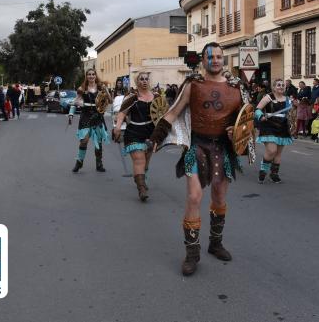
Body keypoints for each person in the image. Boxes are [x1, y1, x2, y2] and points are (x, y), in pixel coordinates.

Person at [148, 42, 254, 276]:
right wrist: (156, 137)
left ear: (223, 59)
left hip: (223, 149)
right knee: (194, 197)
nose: (215, 60)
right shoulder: (192, 84)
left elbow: (245, 121)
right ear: (203, 60)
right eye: (210, 56)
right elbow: (173, 112)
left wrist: (235, 133)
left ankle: (215, 243)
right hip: (197, 146)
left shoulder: (237, 87)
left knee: (219, 196)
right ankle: (192, 253)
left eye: (218, 56)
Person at [114, 72, 156, 202]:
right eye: (141, 79)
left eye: (146, 79)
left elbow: (164, 114)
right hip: (134, 132)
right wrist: (117, 127)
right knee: (139, 160)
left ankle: (143, 179)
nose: (144, 81)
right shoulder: (132, 98)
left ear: (149, 81)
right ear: (137, 82)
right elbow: (122, 113)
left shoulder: (157, 97)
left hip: (150, 133)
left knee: (146, 161)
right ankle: (141, 188)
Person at [68, 69, 111, 173]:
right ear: (86, 76)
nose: (91, 76)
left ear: (95, 76)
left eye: (93, 74)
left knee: (99, 142)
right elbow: (75, 102)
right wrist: (71, 114)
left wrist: (107, 91)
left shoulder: (101, 88)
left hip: (98, 116)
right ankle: (79, 162)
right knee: (84, 141)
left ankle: (99, 164)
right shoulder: (82, 88)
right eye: (89, 74)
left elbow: (110, 101)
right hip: (86, 116)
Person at [255, 79, 293, 183]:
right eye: (278, 85)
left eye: (283, 85)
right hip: (269, 125)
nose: (281, 87)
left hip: (282, 126)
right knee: (272, 150)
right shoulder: (268, 97)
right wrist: (261, 116)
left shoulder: (287, 99)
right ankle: (262, 172)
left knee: (278, 153)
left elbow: (290, 113)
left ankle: (274, 174)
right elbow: (257, 109)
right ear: (274, 87)